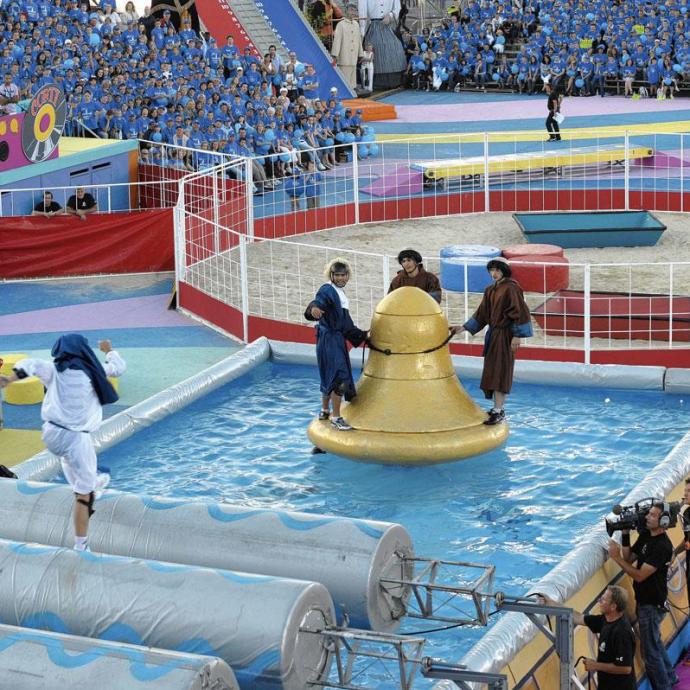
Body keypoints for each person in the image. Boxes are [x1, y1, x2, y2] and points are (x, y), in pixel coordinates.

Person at [0, 335, 125, 552]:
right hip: (76, 437)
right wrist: (109, 350)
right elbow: (118, 368)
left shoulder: (53, 370)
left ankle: (90, 481)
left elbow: (31, 364)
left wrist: (10, 379)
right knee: (84, 494)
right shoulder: (93, 371)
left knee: (70, 459)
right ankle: (81, 544)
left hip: (51, 434)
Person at [451, 257, 532, 425]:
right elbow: (482, 314)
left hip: (506, 335)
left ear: (504, 271)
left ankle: (499, 410)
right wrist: (463, 328)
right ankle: (496, 408)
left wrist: (517, 335)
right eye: (492, 270)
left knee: (501, 371)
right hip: (494, 335)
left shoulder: (512, 288)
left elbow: (520, 311)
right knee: (492, 371)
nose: (494, 273)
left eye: (498, 270)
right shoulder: (490, 290)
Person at [608, 503, 677, 690]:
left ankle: (664, 687)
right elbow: (629, 558)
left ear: (664, 521)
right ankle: (671, 678)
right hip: (645, 600)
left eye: (652, 515)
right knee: (655, 643)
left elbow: (639, 575)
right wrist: (624, 534)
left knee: (650, 654)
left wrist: (615, 558)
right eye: (649, 514)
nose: (647, 517)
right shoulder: (646, 535)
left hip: (651, 604)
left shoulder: (662, 546)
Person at [304, 258, 368, 431]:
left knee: (327, 373)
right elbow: (318, 301)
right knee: (341, 377)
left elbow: (345, 322)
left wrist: (362, 335)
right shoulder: (327, 289)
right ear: (331, 275)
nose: (340, 278)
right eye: (337, 275)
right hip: (331, 339)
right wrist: (313, 308)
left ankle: (325, 410)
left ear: (348, 275)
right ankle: (336, 418)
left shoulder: (338, 292)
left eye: (343, 275)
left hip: (328, 338)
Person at [540, 587, 636, 690]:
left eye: (603, 600)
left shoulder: (622, 632)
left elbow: (625, 668)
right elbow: (578, 617)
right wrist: (551, 603)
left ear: (613, 606)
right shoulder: (605, 620)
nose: (599, 601)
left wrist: (596, 665)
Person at [358, 0, 407, 89]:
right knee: (374, 47)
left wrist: (390, 15)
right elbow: (362, 11)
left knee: (395, 45)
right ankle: (371, 83)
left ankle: (395, 80)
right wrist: (362, 32)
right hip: (374, 27)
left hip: (387, 26)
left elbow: (397, 8)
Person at [331, 2, 364, 90]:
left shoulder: (356, 24)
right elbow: (337, 40)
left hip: (354, 57)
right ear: (346, 11)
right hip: (344, 56)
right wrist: (335, 54)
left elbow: (359, 40)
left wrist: (361, 54)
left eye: (354, 11)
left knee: (353, 79)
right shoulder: (341, 24)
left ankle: (353, 92)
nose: (353, 12)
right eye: (351, 10)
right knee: (345, 80)